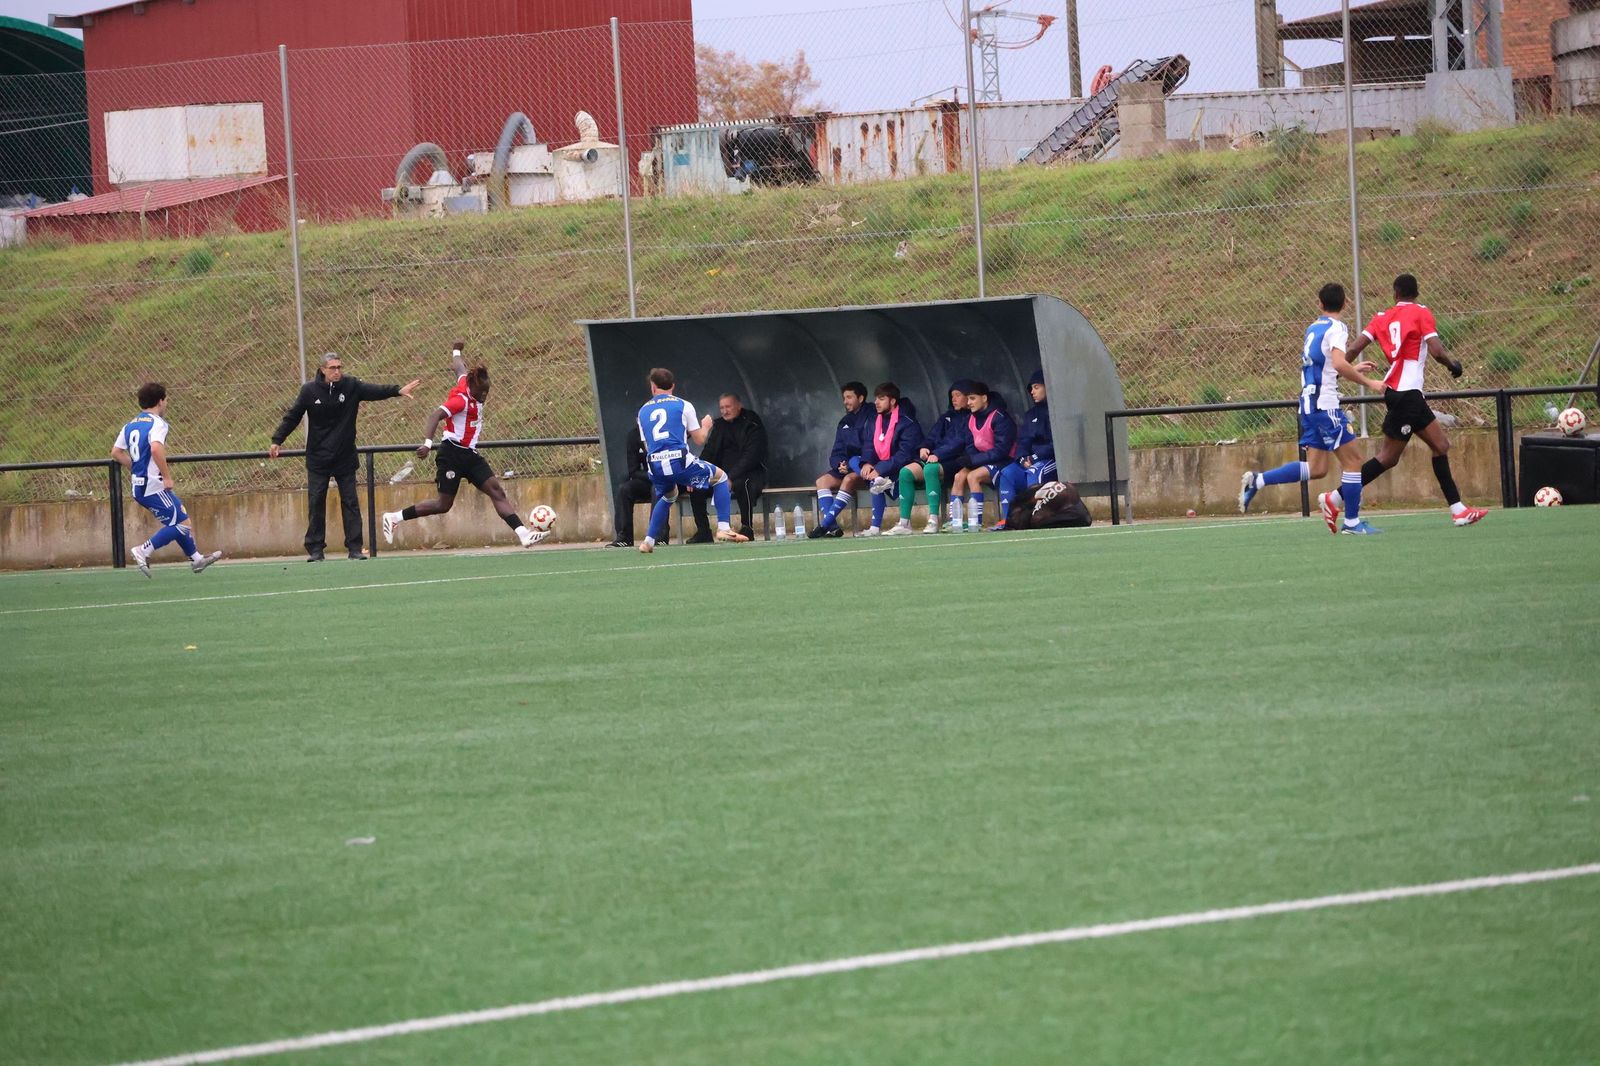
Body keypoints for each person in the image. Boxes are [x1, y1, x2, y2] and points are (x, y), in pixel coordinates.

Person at [1332, 273, 1488, 528]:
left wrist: (1337, 370)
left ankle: (1459, 510)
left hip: (1400, 391)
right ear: (1416, 293)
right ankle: (1335, 496)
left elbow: (1353, 349)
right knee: (1387, 457)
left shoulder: (1382, 317)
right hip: (1407, 394)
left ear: (1395, 294)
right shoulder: (1421, 312)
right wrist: (1453, 365)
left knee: (1439, 445)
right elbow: (1436, 351)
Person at [1239, 283, 1384, 535]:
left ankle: (1258, 480)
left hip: (1308, 404)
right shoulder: (1338, 327)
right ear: (1346, 303)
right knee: (1354, 461)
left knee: (1317, 469)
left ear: (1320, 304)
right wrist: (1369, 382)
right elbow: (1339, 363)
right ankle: (1352, 522)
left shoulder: (1313, 328)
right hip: (1325, 407)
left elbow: (1323, 367)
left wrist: (1353, 370)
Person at [380, 346, 544, 549]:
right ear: (472, 388)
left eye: (487, 392)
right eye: (481, 392)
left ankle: (523, 534)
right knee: (443, 505)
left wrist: (456, 351)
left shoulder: (467, 381)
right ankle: (395, 517)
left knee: (497, 492)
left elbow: (459, 368)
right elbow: (435, 415)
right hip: (451, 453)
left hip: (470, 454)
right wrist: (427, 443)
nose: (484, 396)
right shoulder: (461, 400)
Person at [269, 351, 420, 561]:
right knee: (316, 501)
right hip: (318, 457)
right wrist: (277, 440)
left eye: (339, 367)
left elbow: (375, 390)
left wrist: (398, 391)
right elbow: (293, 416)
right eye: (333, 368)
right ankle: (315, 549)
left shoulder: (351, 386)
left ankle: (355, 548)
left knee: (350, 501)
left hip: (345, 456)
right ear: (323, 370)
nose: (337, 371)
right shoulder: (309, 391)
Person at [111, 382, 223, 577]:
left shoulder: (130, 425)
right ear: (161, 401)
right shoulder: (157, 423)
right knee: (182, 524)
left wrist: (136, 469)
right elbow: (155, 448)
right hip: (153, 485)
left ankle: (196, 559)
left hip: (140, 485)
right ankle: (143, 550)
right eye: (166, 400)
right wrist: (167, 477)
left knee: (180, 517)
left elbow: (116, 452)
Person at [635, 367, 750, 554]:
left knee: (668, 495)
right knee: (720, 478)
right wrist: (706, 425)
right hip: (679, 461)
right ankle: (723, 528)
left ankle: (648, 541)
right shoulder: (683, 405)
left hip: (655, 464)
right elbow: (700, 439)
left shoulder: (643, 411)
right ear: (672, 386)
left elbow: (648, 445)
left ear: (653, 387)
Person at [828, 382, 921, 537]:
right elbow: (868, 446)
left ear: (892, 401)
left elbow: (904, 455)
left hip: (901, 469)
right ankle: (874, 527)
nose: (876, 402)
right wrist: (867, 463)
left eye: (881, 399)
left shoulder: (907, 422)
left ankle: (883, 522)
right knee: (855, 463)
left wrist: (879, 469)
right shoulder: (874, 422)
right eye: (876, 398)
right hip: (879, 469)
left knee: (873, 478)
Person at [690, 392, 768, 542]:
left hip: (750, 472)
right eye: (721, 408)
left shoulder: (752, 423)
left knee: (742, 484)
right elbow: (709, 452)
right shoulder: (719, 426)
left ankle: (747, 527)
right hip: (721, 474)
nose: (724, 411)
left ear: (739, 406)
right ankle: (703, 531)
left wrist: (730, 477)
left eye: (728, 407)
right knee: (697, 486)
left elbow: (752, 456)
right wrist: (696, 473)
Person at [905, 379, 973, 534]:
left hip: (957, 459)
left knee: (930, 470)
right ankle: (904, 523)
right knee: (905, 473)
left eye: (958, 395)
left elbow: (959, 442)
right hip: (936, 457)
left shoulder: (971, 418)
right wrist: (925, 447)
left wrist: (938, 454)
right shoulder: (946, 417)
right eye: (952, 396)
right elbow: (933, 436)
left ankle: (933, 519)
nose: (954, 399)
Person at [949, 381, 1016, 533]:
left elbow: (1001, 450)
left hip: (1004, 462)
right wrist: (971, 459)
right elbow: (970, 444)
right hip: (983, 460)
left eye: (972, 398)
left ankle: (976, 522)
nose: (969, 403)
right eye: (968, 399)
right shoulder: (971, 419)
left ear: (984, 398)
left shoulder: (1000, 417)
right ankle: (955, 522)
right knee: (959, 476)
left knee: (973, 477)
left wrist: (973, 461)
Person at [992, 369, 1055, 530]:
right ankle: (1010, 521)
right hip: (1030, 461)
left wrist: (1034, 458)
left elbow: (1057, 443)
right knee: (1007, 473)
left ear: (1048, 386)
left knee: (1035, 472)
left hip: (1051, 460)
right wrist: (1021, 458)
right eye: (1031, 389)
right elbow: (1023, 441)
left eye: (1036, 387)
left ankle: (1035, 520)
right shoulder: (1030, 414)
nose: (1032, 392)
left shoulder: (1057, 411)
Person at [812, 381, 873, 538]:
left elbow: (871, 447)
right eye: (844, 398)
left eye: (849, 397)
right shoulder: (844, 421)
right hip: (848, 467)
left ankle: (824, 524)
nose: (845, 401)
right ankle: (832, 527)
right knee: (822, 481)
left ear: (861, 398)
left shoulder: (872, 416)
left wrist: (852, 467)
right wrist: (839, 464)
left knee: (848, 479)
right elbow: (837, 449)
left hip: (866, 467)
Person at [609, 421, 666, 548]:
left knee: (657, 488)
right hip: (648, 479)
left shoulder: (662, 433)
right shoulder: (633, 436)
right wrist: (651, 476)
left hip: (666, 478)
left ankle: (659, 536)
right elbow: (633, 471)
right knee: (625, 489)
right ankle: (624, 537)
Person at [1003, 479, 1093, 530]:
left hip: (1077, 513)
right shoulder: (1036, 496)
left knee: (1036, 522)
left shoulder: (1036, 516)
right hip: (1081, 514)